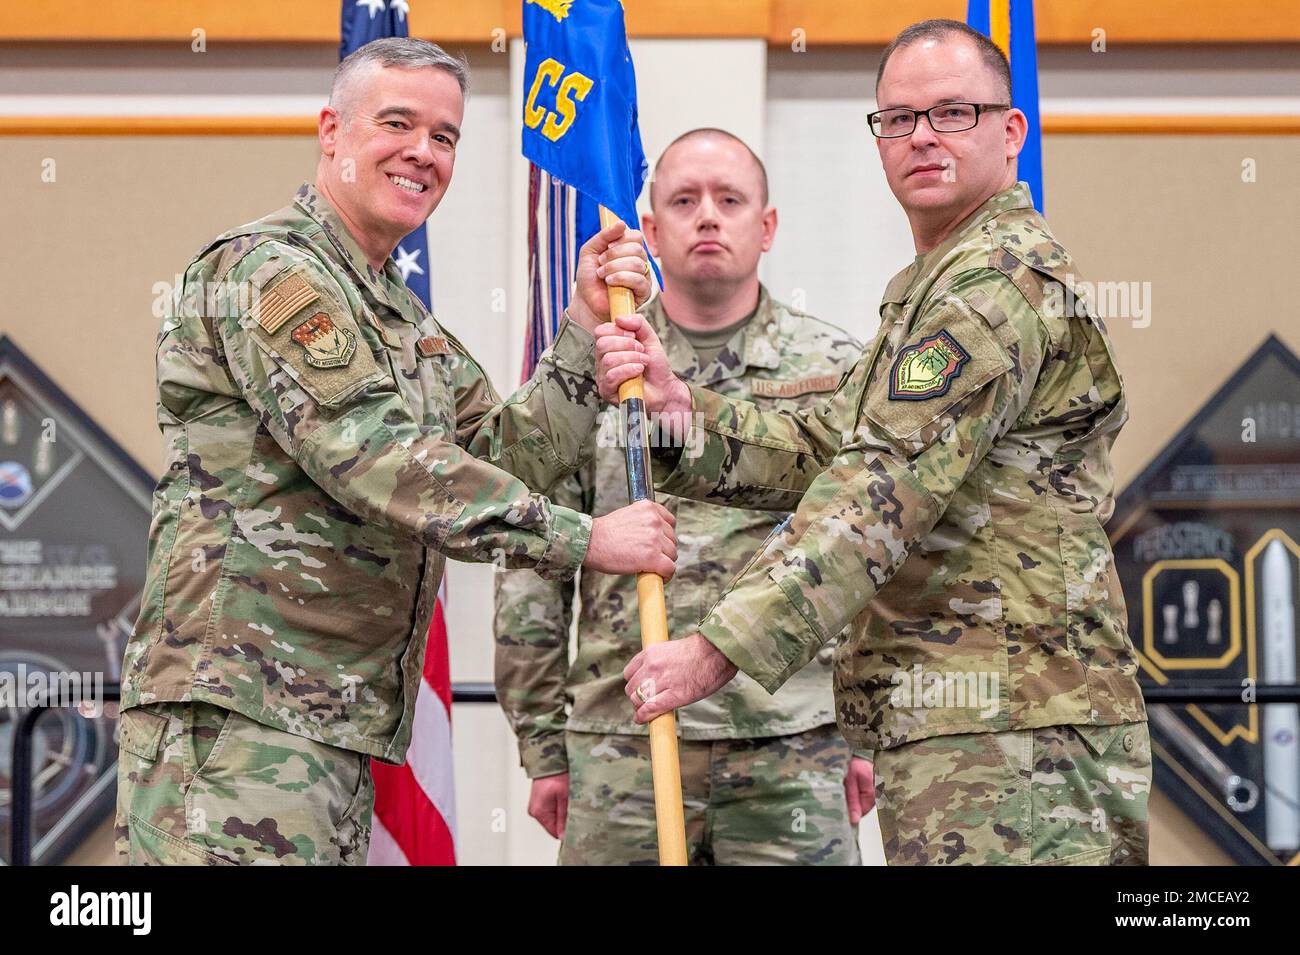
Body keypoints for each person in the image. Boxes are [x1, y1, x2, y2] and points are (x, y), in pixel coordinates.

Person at [596, 19, 1150, 866]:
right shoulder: (938, 283)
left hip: (1015, 730)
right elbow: (834, 437)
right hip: (962, 717)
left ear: (1012, 132)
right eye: (897, 118)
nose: (922, 136)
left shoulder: (993, 287)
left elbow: (877, 487)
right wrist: (684, 411)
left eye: (953, 112)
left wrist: (716, 650)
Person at [115, 37, 673, 865]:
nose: (423, 152)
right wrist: (588, 539)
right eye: (398, 123)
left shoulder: (402, 320)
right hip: (238, 716)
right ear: (331, 131)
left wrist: (585, 330)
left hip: (330, 724)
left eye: (444, 137)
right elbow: (381, 461)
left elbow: (502, 453)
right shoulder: (271, 272)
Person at [495, 129, 872, 865]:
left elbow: (868, 552)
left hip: (791, 740)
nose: (707, 217)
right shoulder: (599, 364)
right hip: (620, 738)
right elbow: (533, 556)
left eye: (729, 200)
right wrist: (542, 742)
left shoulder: (835, 368)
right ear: (653, 230)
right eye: (684, 200)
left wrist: (865, 732)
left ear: (766, 227)